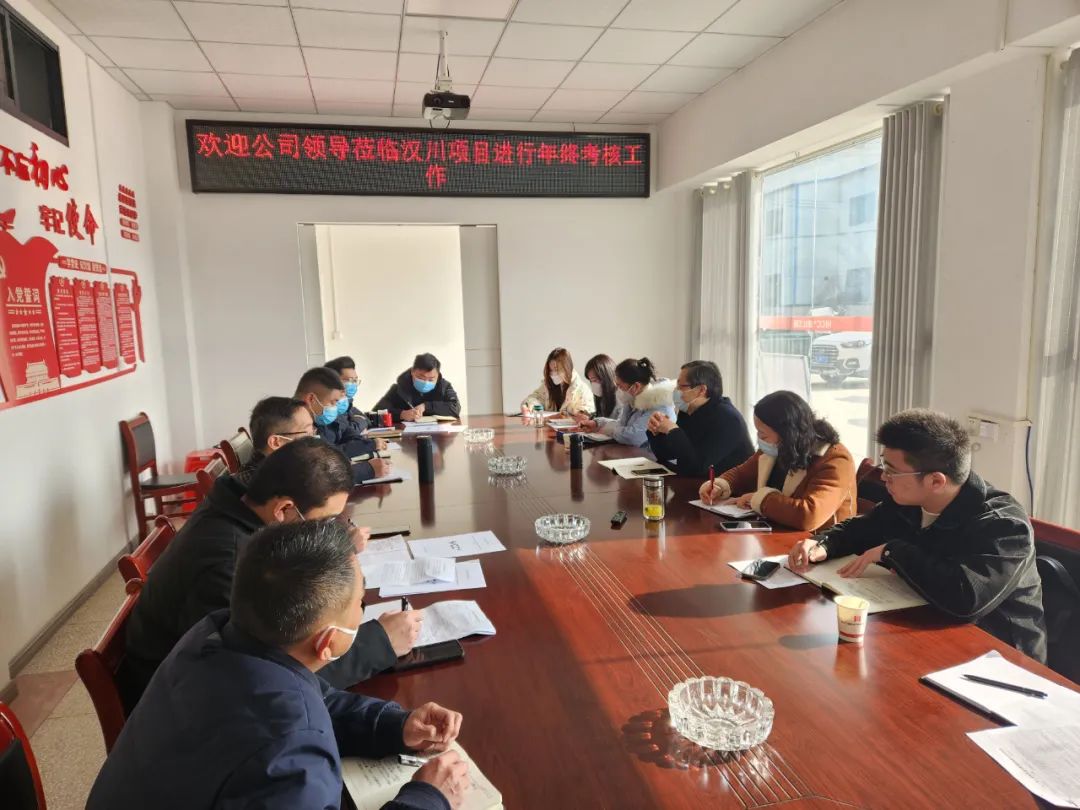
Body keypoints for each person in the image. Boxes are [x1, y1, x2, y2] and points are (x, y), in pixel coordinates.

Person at [89, 520, 469, 810]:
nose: (362, 610)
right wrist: (429, 797)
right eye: (360, 604)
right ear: (327, 643)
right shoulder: (289, 753)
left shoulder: (217, 634)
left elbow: (313, 698)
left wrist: (395, 725)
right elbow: (289, 722)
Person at [118, 438, 420, 708]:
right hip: (184, 707)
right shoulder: (228, 564)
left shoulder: (239, 507)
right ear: (283, 509)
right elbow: (267, 677)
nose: (330, 529)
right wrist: (379, 643)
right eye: (326, 521)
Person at [788, 409, 1047, 661]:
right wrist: (822, 544)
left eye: (892, 471)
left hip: (998, 656)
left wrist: (892, 551)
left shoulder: (1004, 526)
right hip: (921, 629)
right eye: (884, 465)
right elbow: (861, 529)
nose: (883, 477)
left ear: (936, 481)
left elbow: (966, 599)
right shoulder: (907, 500)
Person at [699, 390, 855, 531]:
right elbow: (742, 474)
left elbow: (808, 515)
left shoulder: (835, 460)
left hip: (821, 544)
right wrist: (719, 486)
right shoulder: (778, 447)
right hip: (777, 533)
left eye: (763, 434)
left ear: (787, 433)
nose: (759, 439)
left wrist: (759, 499)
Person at [646, 361, 754, 477]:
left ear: (701, 390)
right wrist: (657, 432)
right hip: (698, 480)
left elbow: (698, 466)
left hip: (729, 484)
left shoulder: (728, 418)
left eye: (681, 386)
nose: (676, 390)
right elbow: (668, 454)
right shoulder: (687, 410)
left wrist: (673, 430)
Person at [296, 366, 391, 483]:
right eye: (333, 402)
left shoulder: (321, 416)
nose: (335, 408)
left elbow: (348, 435)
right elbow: (317, 475)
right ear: (311, 399)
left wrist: (364, 445)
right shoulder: (294, 426)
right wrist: (367, 470)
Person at [576, 358, 675, 448]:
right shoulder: (633, 400)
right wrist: (597, 423)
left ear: (636, 386)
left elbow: (633, 437)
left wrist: (610, 430)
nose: (617, 390)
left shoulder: (659, 404)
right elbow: (621, 425)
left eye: (620, 386)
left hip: (652, 458)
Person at [235, 396, 315, 485]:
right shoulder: (266, 486)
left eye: (313, 431)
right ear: (276, 442)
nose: (314, 438)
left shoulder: (285, 468)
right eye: (307, 433)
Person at [375, 353, 461, 422]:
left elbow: (455, 408)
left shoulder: (444, 387)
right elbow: (377, 411)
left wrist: (426, 406)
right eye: (421, 378)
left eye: (431, 379)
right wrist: (401, 414)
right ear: (412, 372)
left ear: (438, 375)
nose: (425, 382)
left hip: (439, 434)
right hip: (407, 435)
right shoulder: (399, 388)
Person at [520, 347, 594, 416]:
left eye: (557, 370)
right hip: (549, 425)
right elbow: (536, 397)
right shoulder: (547, 385)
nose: (553, 374)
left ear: (567, 368)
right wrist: (529, 406)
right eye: (551, 370)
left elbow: (588, 412)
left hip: (572, 425)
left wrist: (579, 413)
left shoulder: (582, 389)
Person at [325, 355, 368, 428]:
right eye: (349, 380)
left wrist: (360, 420)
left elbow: (366, 419)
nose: (354, 384)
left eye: (355, 380)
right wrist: (360, 421)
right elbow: (349, 430)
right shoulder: (329, 408)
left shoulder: (347, 403)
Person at [583, 354, 618, 419]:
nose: (593, 384)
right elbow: (600, 416)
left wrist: (595, 422)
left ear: (606, 377)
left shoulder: (621, 397)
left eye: (594, 380)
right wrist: (589, 418)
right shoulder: (602, 397)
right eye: (591, 381)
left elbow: (619, 423)